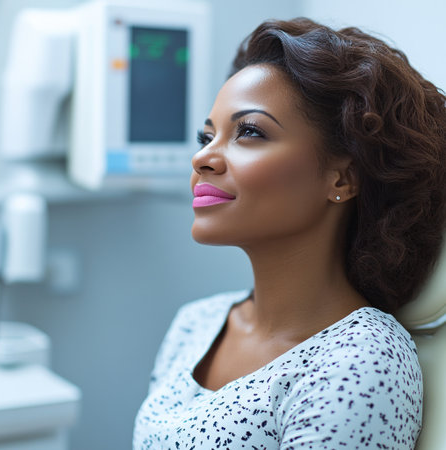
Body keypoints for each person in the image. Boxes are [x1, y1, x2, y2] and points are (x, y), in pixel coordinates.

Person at [133, 18, 446, 449]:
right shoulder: (196, 322)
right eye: (207, 136)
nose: (202, 158)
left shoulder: (359, 359)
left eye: (249, 132)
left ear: (343, 178)